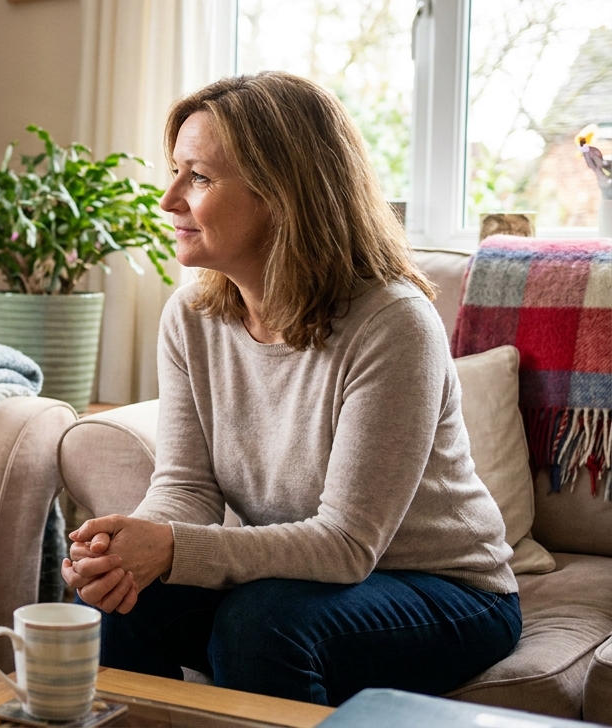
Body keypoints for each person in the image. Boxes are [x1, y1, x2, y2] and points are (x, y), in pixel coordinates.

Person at [61, 71, 521, 706]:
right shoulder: (190, 317)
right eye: (175, 172)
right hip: (300, 579)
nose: (168, 200)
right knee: (123, 600)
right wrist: (126, 552)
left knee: (262, 623)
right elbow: (186, 488)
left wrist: (170, 549)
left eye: (199, 177)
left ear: (282, 195)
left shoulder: (393, 323)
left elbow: (346, 545)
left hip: (447, 591)